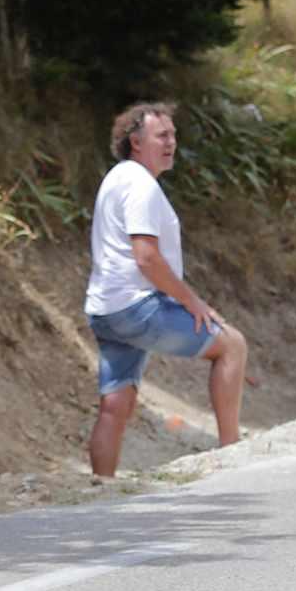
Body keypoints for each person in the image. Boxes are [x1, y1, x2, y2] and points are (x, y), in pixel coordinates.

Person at [84, 102, 249, 475]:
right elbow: (147, 257)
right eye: (163, 135)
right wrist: (193, 303)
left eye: (173, 134)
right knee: (232, 345)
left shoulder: (117, 177)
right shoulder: (141, 185)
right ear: (136, 142)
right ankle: (232, 452)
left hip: (104, 309)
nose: (172, 142)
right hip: (138, 307)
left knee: (116, 403)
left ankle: (101, 487)